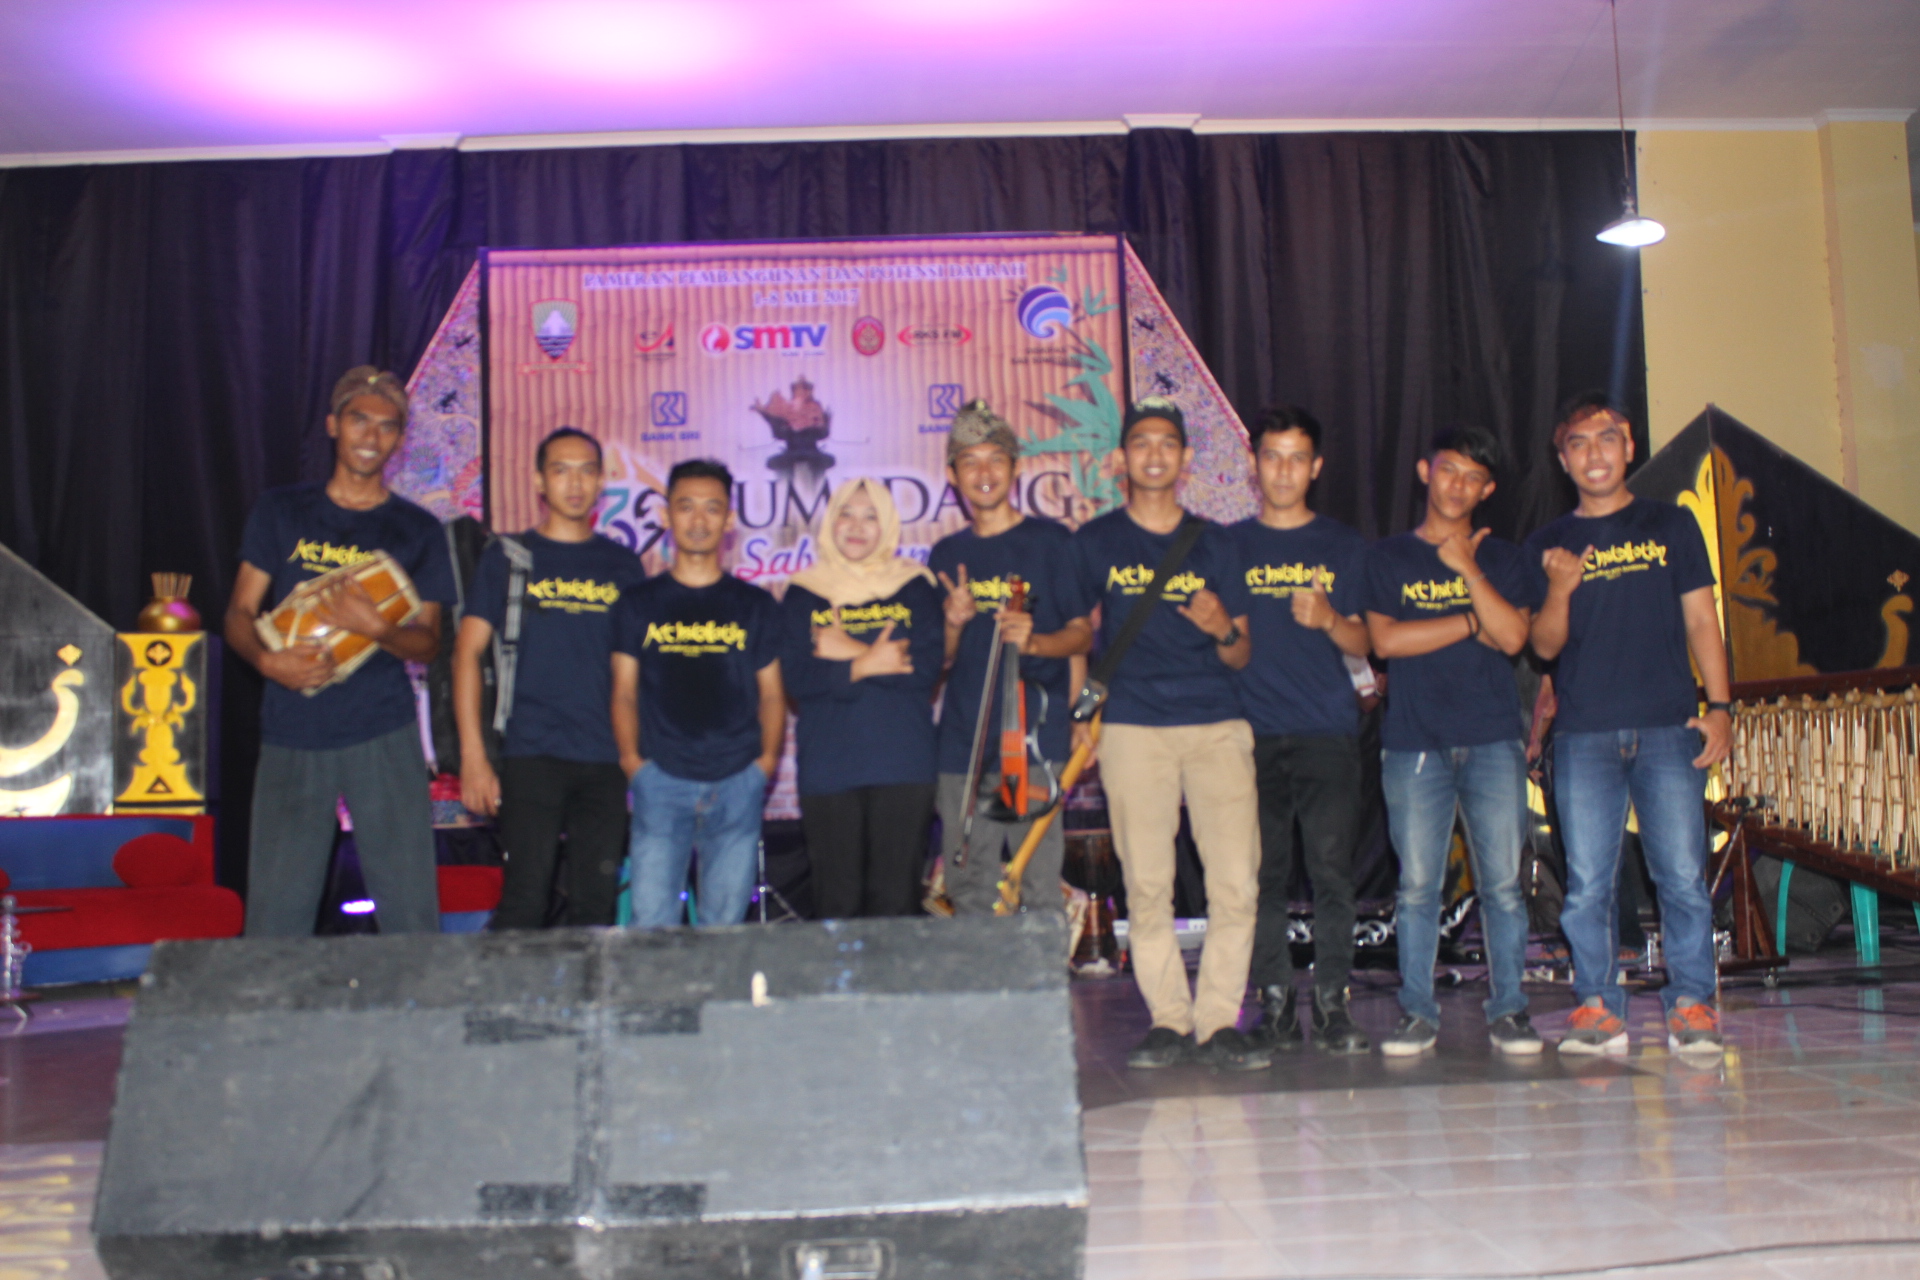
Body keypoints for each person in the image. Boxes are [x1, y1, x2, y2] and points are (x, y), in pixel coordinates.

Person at [1527, 392, 1731, 1057]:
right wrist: (1560, 587)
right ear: (1563, 459)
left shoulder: (1670, 524)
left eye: (1606, 438)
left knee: (1682, 876)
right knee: (1588, 882)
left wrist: (1721, 708)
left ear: (1629, 446)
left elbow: (1702, 620)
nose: (1595, 453)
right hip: (1584, 734)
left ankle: (1693, 1003)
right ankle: (1596, 1005)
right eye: (1579, 443)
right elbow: (1543, 647)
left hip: (1669, 727)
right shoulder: (1548, 544)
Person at [224, 366, 456, 936]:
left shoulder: (418, 530)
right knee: (276, 916)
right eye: (359, 420)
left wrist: (375, 627)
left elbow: (429, 641)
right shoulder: (282, 511)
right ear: (333, 425)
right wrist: (267, 661)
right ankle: (275, 999)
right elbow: (238, 614)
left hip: (382, 728)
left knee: (410, 912)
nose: (371, 437)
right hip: (293, 726)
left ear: (400, 440)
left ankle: (416, 999)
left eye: (387, 426)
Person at [1071, 397, 1264, 1071]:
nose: (1154, 454)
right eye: (1141, 443)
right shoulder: (1094, 542)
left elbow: (1241, 653)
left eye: (1167, 443)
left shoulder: (1218, 543)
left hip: (1217, 724)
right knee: (1147, 883)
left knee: (1235, 881)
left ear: (1186, 459)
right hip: (1133, 727)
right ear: (1121, 458)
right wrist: (1081, 716)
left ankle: (1218, 1020)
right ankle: (1169, 1020)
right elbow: (1078, 636)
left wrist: (1222, 628)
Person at [1361, 426, 1544, 1057]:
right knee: (1417, 887)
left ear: (1487, 490)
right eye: (1448, 470)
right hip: (1414, 742)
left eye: (1473, 477)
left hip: (1492, 740)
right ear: (1425, 472)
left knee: (1502, 886)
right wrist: (1472, 620)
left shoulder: (1503, 558)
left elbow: (1515, 638)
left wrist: (1468, 569)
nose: (1458, 485)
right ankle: (1417, 1012)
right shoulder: (1389, 557)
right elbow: (1386, 642)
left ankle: (1510, 1010)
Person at [453, 427, 644, 929]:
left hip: (604, 758)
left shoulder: (623, 565)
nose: (574, 484)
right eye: (561, 471)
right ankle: (502, 986)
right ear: (539, 481)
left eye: (586, 471)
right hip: (530, 753)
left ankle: (589, 987)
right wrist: (473, 756)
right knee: (524, 901)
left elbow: (635, 673)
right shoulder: (508, 556)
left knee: (596, 908)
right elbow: (466, 653)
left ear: (601, 482)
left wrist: (637, 754)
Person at [1231, 407, 1374, 1054]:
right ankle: (1275, 1005)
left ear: (1315, 467)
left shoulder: (1343, 545)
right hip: (1248, 736)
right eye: (1271, 456)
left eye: (1297, 458)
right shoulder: (1229, 546)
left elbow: (1368, 642)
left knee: (1332, 874)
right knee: (1259, 877)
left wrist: (1329, 619)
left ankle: (1334, 1003)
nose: (1283, 471)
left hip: (1326, 732)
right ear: (1253, 463)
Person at [929, 401, 1093, 916]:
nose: (984, 472)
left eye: (996, 459)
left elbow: (1082, 634)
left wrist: (1038, 644)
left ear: (1016, 467)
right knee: (968, 888)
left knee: (1039, 883)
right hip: (963, 742)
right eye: (970, 461)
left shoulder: (1052, 542)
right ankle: (979, 972)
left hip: (1035, 742)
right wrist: (952, 625)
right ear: (952, 475)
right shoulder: (945, 554)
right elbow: (940, 663)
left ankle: (1044, 973)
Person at [611, 459, 784, 928]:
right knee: (651, 924)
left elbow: (772, 695)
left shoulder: (755, 605)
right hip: (660, 780)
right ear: (666, 514)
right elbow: (623, 692)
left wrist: (764, 764)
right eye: (686, 507)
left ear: (729, 520)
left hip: (738, 780)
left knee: (724, 929)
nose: (699, 520)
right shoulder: (637, 603)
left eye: (712, 508)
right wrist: (634, 764)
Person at [782, 476, 944, 917]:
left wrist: (847, 652)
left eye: (871, 516)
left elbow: (924, 670)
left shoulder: (914, 585)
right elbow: (798, 678)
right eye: (846, 515)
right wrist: (870, 663)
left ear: (888, 525)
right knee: (837, 905)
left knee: (896, 902)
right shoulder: (804, 591)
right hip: (829, 767)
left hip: (902, 765)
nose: (857, 526)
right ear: (830, 522)